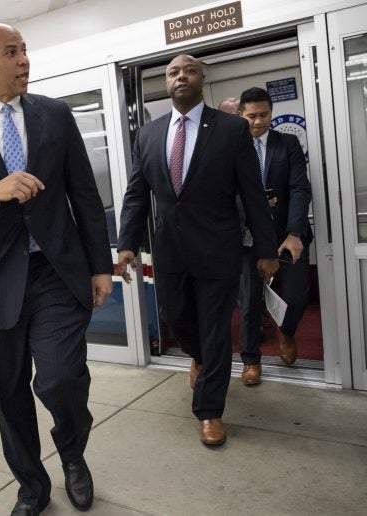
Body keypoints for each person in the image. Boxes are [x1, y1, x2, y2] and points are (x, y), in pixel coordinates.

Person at [0, 23, 114, 516]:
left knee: (59, 379)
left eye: (25, 50)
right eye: (12, 53)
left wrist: (101, 265)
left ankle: (73, 454)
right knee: (9, 393)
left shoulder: (55, 114)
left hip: (55, 270)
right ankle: (32, 487)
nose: (24, 60)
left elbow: (85, 195)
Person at [117, 55, 279, 447]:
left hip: (217, 250)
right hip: (170, 251)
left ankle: (210, 411)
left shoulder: (230, 130)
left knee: (216, 329)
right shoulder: (149, 134)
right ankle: (200, 357)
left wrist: (265, 248)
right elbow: (138, 194)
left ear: (201, 78)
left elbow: (252, 194)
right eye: (173, 72)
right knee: (177, 317)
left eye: (189, 70)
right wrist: (126, 244)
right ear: (167, 83)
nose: (181, 76)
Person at [237, 86, 312, 385]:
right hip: (248, 236)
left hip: (286, 234)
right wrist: (251, 203)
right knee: (250, 301)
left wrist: (295, 232)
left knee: (296, 295)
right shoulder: (232, 146)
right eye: (251, 116)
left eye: (264, 114)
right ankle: (251, 361)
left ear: (272, 113)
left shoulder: (288, 143)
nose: (258, 121)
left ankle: (288, 332)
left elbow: (299, 187)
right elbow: (224, 192)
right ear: (241, 115)